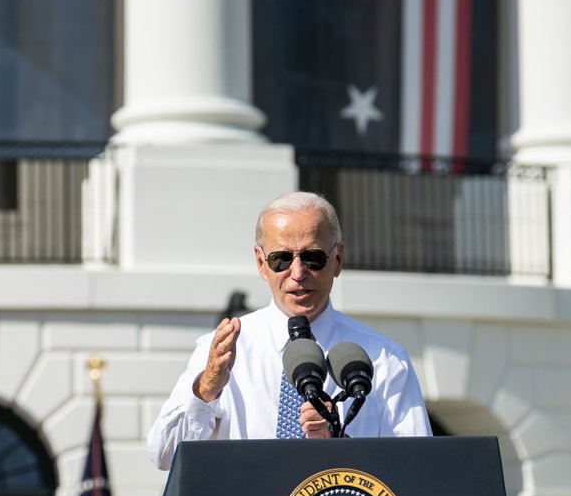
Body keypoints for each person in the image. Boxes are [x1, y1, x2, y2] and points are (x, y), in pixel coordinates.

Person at [147, 191, 431, 470]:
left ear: (338, 260)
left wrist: (341, 446)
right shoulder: (224, 351)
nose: (297, 273)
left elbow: (418, 469)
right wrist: (207, 388)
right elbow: (164, 454)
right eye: (281, 259)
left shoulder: (385, 359)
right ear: (261, 263)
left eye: (313, 258)